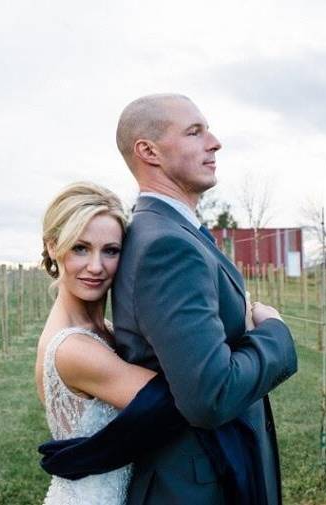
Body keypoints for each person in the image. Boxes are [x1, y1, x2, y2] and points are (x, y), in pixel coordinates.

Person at [39, 94, 297, 504]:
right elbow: (203, 395)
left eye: (109, 251)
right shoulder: (164, 246)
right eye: (195, 131)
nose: (214, 142)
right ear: (148, 151)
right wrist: (272, 333)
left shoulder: (154, 247)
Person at [35, 181, 155, 504]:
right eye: (80, 248)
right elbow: (181, 395)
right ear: (52, 247)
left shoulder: (102, 330)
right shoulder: (73, 348)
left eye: (110, 251)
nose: (96, 266)